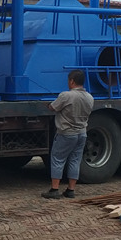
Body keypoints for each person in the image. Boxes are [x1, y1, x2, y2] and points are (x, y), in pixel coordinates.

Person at [42, 69, 94, 199]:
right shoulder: (90, 97)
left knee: (57, 159)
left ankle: (54, 189)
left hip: (66, 133)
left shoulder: (66, 95)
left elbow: (53, 107)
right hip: (82, 133)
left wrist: (48, 104)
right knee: (75, 160)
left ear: (72, 81)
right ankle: (71, 190)